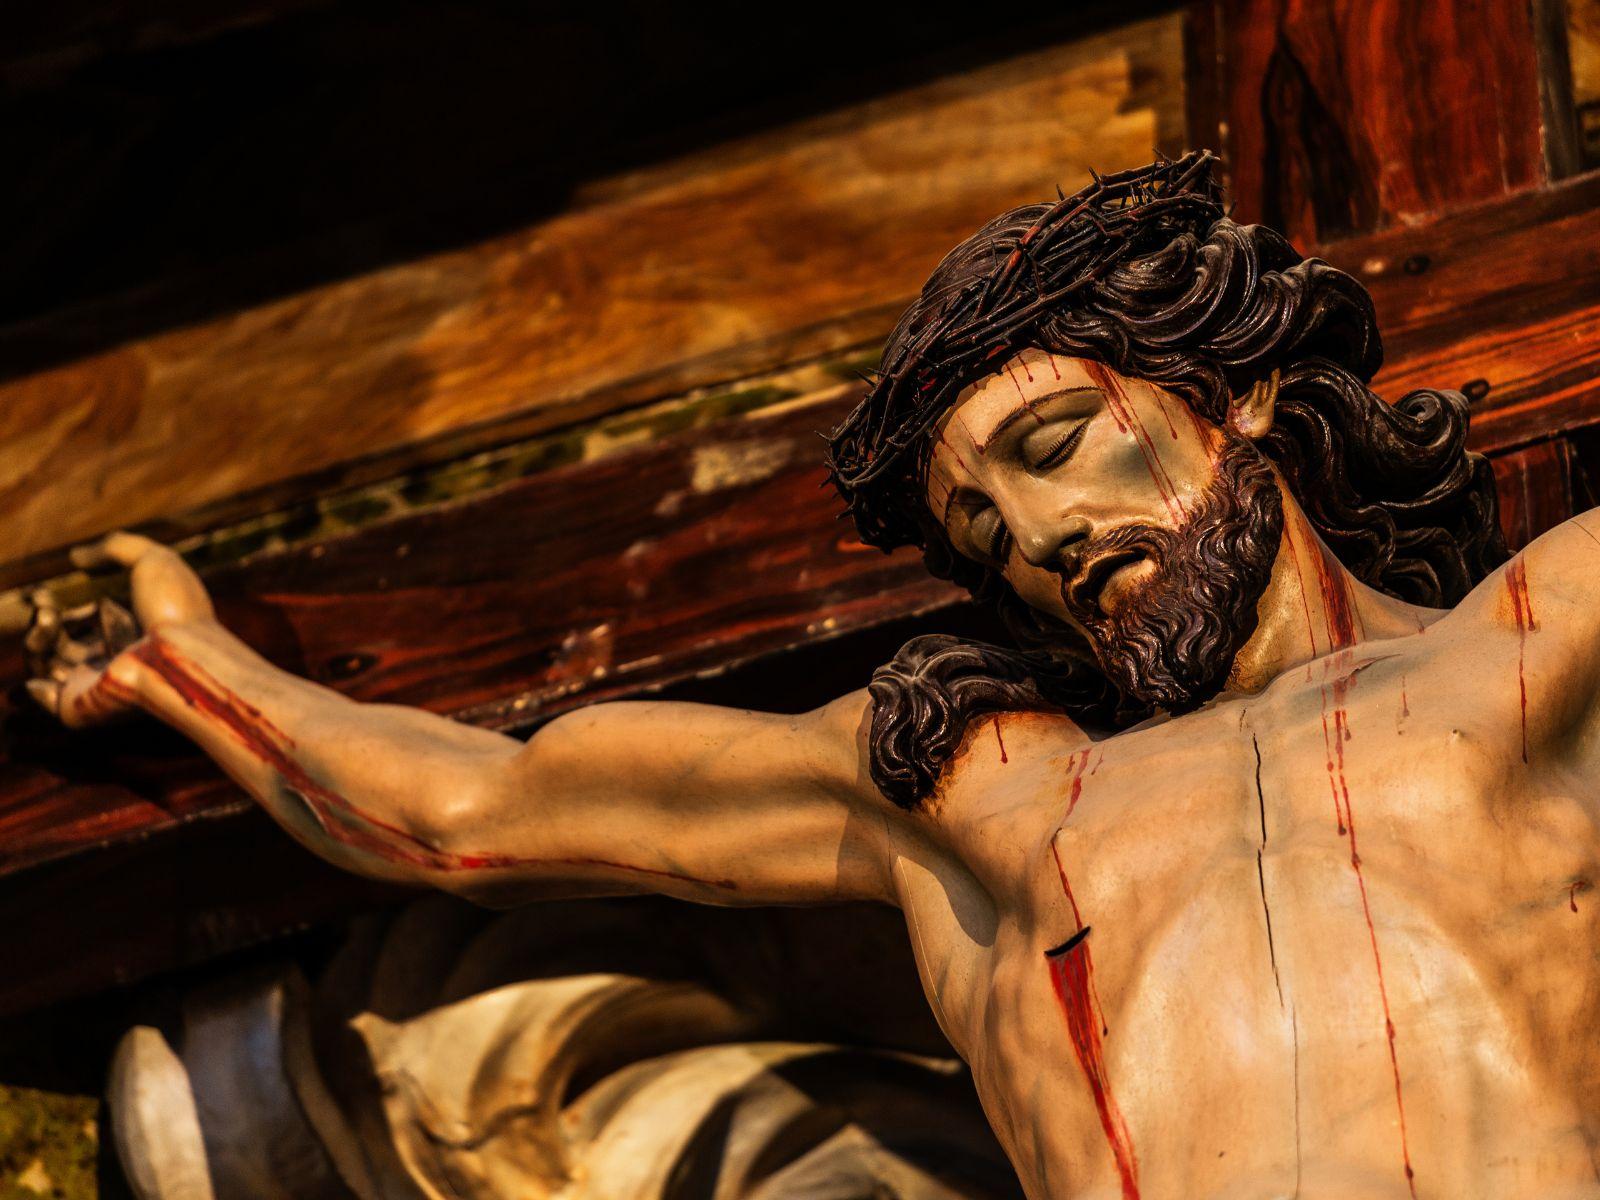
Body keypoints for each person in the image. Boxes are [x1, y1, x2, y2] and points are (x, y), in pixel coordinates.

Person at [26, 152, 1600, 1199]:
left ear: (1233, 387)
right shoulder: (990, 794)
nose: (1040, 536)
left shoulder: (1535, 643)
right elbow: (474, 808)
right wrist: (182, 664)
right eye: (982, 530)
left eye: (1056, 444)